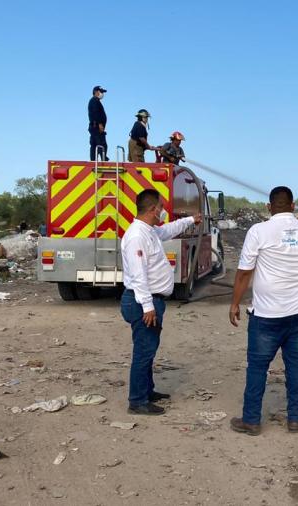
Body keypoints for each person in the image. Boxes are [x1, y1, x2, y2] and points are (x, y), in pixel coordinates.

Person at [228, 186, 298, 435]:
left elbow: (244, 272)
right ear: (293, 206)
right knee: (295, 366)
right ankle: (295, 419)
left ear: (269, 207)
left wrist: (234, 303)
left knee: (257, 367)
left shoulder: (259, 231)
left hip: (267, 315)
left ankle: (251, 420)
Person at [120, 189, 202, 415]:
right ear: (153, 209)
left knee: (149, 349)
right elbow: (138, 276)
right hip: (142, 303)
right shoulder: (137, 236)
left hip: (151, 301)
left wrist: (190, 220)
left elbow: (167, 231)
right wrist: (147, 307)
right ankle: (137, 401)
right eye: (161, 208)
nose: (163, 212)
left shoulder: (149, 231)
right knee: (144, 352)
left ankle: (147, 391)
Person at [88, 86, 108, 161]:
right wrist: (100, 124)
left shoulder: (96, 101)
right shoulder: (94, 101)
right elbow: (96, 113)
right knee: (101, 144)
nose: (102, 94)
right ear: (96, 92)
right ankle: (103, 159)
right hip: (96, 126)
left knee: (94, 144)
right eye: (101, 92)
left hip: (94, 126)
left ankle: (94, 160)